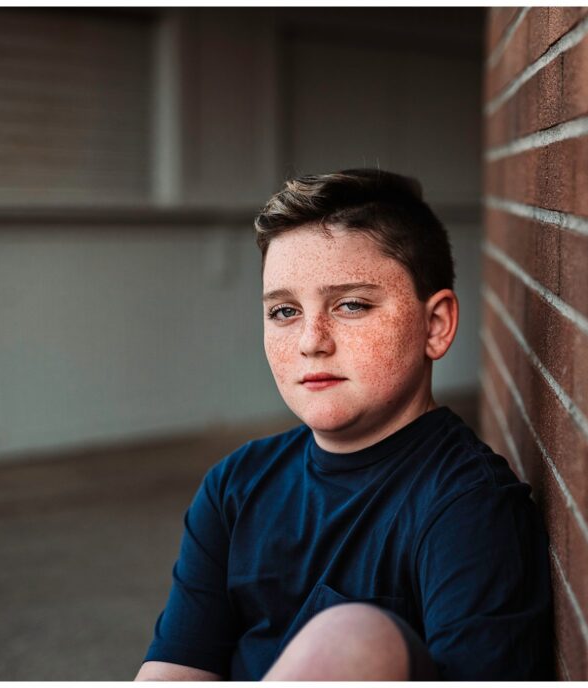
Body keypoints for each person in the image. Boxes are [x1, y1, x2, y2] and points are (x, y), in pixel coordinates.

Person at [134, 169, 555, 681]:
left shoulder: (469, 507)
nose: (312, 340)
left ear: (436, 326)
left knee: (353, 637)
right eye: (285, 311)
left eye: (351, 304)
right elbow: (176, 668)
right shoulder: (235, 486)